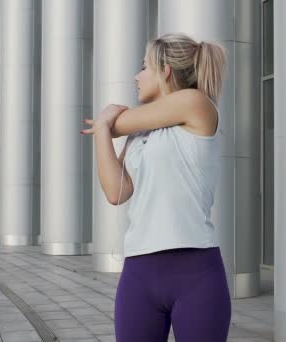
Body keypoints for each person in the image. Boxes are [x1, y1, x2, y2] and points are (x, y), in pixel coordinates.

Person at [81, 33, 231, 342]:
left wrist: (106, 122)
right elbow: (116, 192)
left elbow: (117, 123)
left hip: (196, 272)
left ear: (165, 71)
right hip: (139, 271)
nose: (136, 77)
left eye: (144, 67)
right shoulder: (141, 131)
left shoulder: (197, 104)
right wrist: (101, 133)